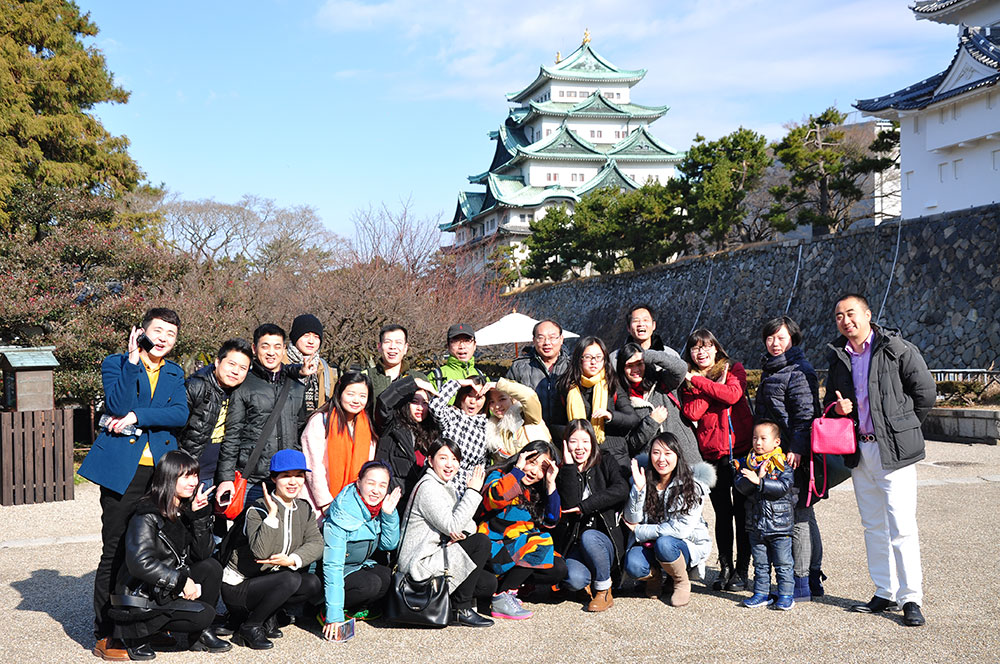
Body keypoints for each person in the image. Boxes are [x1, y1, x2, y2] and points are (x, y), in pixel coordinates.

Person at [78, 308, 190, 660]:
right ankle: (106, 632)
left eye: (170, 334)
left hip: (159, 474)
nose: (163, 338)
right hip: (121, 471)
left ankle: (148, 624)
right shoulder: (115, 363)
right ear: (142, 331)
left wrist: (139, 416)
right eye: (158, 331)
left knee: (156, 548)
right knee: (114, 550)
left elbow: (179, 414)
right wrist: (130, 362)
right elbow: (116, 403)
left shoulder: (174, 372)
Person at [824, 293, 935, 627]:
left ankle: (911, 598)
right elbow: (831, 401)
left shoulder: (895, 348)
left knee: (902, 526)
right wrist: (840, 408)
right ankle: (884, 590)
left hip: (894, 451)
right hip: (860, 451)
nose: (846, 320)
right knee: (872, 524)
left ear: (868, 314)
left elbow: (925, 392)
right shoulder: (839, 357)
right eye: (839, 316)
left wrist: (902, 427)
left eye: (852, 313)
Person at [107, 450, 229, 660]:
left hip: (163, 590)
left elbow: (203, 554)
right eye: (186, 476)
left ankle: (199, 634)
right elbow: (139, 563)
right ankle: (138, 636)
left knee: (211, 567)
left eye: (195, 475)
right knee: (205, 614)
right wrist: (180, 582)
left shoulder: (181, 509)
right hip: (142, 595)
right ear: (169, 478)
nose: (193, 482)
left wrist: (198, 515)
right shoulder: (145, 515)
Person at [220, 450, 323, 650]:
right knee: (290, 579)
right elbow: (261, 552)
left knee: (311, 582)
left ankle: (269, 615)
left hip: (271, 582)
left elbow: (316, 543)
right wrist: (273, 515)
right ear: (274, 478)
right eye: (286, 476)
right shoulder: (257, 509)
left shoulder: (304, 508)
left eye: (299, 476)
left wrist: (293, 559)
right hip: (239, 587)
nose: (293, 482)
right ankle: (250, 626)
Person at [754, 316, 826, 602]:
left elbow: (806, 415)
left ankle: (801, 583)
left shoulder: (798, 370)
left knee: (797, 516)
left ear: (792, 339)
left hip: (792, 456)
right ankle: (812, 578)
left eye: (781, 338)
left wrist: (795, 448)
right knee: (804, 514)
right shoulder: (774, 369)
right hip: (779, 453)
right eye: (771, 338)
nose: (775, 343)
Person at [679, 328, 753, 593]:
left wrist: (701, 383)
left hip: (740, 452)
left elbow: (732, 396)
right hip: (712, 454)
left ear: (716, 348)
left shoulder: (735, 369)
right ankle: (725, 567)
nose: (702, 352)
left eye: (707, 346)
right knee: (723, 514)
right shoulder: (686, 382)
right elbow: (692, 410)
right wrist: (712, 387)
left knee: (743, 513)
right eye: (696, 348)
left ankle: (742, 570)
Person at [397, 440, 496, 627]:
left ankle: (446, 605)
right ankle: (461, 609)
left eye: (454, 459)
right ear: (430, 460)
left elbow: (468, 525)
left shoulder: (444, 485)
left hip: (435, 556)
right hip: (417, 566)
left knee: (487, 583)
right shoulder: (428, 488)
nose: (450, 464)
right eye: (443, 458)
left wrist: (460, 535)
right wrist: (473, 491)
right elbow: (453, 525)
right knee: (481, 543)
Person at [217, 324, 308, 511]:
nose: (271, 352)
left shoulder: (297, 387)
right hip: (252, 478)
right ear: (254, 348)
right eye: (265, 346)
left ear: (284, 349)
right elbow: (232, 435)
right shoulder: (244, 386)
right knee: (242, 536)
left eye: (277, 346)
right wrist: (226, 478)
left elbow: (300, 430)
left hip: (285, 480)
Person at [623, 433, 715, 608]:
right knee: (633, 565)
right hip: (650, 545)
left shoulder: (692, 486)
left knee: (665, 544)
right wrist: (639, 490)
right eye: (656, 453)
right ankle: (655, 577)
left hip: (682, 545)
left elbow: (680, 530)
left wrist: (640, 531)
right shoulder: (644, 478)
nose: (661, 459)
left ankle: (680, 581)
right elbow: (631, 519)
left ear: (677, 456)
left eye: (668, 453)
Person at [478, 440, 567, 620]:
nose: (534, 471)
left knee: (557, 568)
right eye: (531, 462)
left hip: (518, 550)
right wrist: (517, 472)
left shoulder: (535, 490)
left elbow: (552, 520)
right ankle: (503, 596)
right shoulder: (499, 475)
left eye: (542, 468)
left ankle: (512, 586)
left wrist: (550, 484)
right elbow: (495, 498)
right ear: (521, 457)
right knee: (539, 542)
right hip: (494, 548)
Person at [321, 460, 402, 639]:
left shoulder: (376, 508)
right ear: (358, 483)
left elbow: (388, 545)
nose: (376, 490)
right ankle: (325, 611)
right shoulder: (344, 511)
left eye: (382, 485)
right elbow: (332, 567)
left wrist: (389, 516)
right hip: (331, 574)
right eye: (371, 483)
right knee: (370, 584)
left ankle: (353, 610)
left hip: (356, 565)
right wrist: (334, 616)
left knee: (388, 578)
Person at [554, 420, 628, 612]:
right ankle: (589, 582)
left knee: (589, 536)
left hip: (604, 539)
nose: (579, 447)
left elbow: (621, 489)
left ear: (593, 442)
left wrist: (585, 506)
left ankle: (604, 589)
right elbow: (570, 504)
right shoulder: (563, 471)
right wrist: (569, 468)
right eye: (573, 441)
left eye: (585, 441)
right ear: (565, 444)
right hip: (577, 544)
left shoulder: (605, 460)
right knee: (572, 579)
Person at [734, 421, 796, 610]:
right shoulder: (748, 462)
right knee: (760, 563)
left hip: (779, 524)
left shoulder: (782, 463)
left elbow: (784, 487)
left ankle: (786, 595)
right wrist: (752, 478)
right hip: (756, 523)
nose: (758, 443)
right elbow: (740, 486)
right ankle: (761, 593)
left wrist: (760, 482)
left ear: (776, 442)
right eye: (755, 438)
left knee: (783, 563)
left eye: (763, 438)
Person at [557, 336, 639, 473]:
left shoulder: (613, 384)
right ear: (579, 359)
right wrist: (573, 431)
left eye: (598, 357)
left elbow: (633, 419)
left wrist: (610, 416)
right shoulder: (567, 388)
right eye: (588, 357)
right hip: (580, 455)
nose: (593, 362)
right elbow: (555, 423)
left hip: (614, 455)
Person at [179, 339, 253, 488]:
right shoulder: (196, 387)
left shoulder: (240, 392)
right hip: (187, 474)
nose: (235, 371)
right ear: (218, 362)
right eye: (231, 364)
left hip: (219, 478)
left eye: (243, 368)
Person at [301, 372, 376, 517]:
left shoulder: (367, 427)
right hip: (319, 506)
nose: (356, 400)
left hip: (353, 508)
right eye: (351, 394)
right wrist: (325, 503)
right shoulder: (321, 421)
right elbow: (313, 466)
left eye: (362, 396)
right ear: (339, 393)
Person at [617, 341, 699, 467]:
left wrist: (649, 355)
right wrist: (651, 422)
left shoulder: (663, 381)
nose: (635, 370)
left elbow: (681, 369)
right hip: (655, 467)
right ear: (622, 368)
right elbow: (630, 443)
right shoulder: (621, 399)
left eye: (639, 364)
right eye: (629, 366)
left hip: (686, 456)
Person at [374, 376, 440, 504]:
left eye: (425, 403)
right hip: (390, 498)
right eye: (415, 402)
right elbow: (384, 402)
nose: (420, 407)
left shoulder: (432, 432)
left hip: (416, 502)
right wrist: (415, 382)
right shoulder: (392, 425)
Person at [424, 377, 491, 493]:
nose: (473, 402)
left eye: (479, 397)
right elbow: (435, 406)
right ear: (461, 397)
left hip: (467, 489)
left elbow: (483, 464)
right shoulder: (453, 416)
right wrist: (457, 383)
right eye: (469, 395)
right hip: (441, 482)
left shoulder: (487, 427)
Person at [506, 319, 570, 431]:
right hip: (531, 433)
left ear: (561, 339)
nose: (547, 343)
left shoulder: (572, 366)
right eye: (541, 338)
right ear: (534, 341)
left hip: (566, 432)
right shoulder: (519, 367)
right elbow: (506, 398)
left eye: (552, 337)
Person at [485, 378, 551, 460]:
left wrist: (499, 385)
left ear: (513, 399)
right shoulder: (492, 431)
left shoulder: (528, 416)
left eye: (502, 399)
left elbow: (529, 396)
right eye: (492, 402)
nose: (497, 406)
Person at [286, 314, 336, 411]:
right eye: (306, 335)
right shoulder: (281, 363)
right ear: (295, 337)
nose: (311, 341)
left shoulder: (324, 368)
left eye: (316, 337)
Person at [364, 324, 426, 401]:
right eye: (387, 342)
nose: (393, 347)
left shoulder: (420, 378)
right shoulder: (366, 377)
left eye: (398, 342)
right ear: (379, 347)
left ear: (405, 348)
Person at [429, 323, 488, 397]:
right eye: (456, 341)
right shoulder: (436, 376)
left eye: (467, 340)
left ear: (474, 345)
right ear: (448, 346)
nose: (462, 346)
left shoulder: (482, 376)